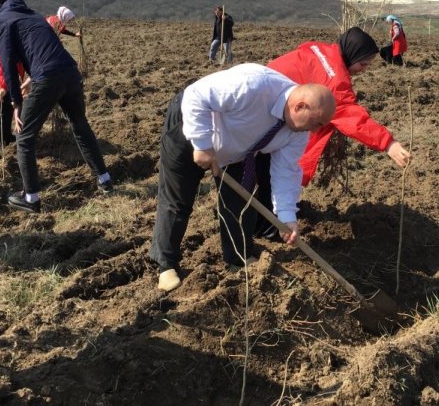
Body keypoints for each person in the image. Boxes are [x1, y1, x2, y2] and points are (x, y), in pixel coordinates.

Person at [150, 63, 335, 292]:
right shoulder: (253, 86)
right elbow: (196, 96)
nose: (316, 131)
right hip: (192, 124)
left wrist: (287, 216)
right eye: (317, 123)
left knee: (239, 202)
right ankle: (166, 264)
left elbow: (285, 171)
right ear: (300, 106)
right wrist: (202, 143)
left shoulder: (298, 133)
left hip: (237, 148)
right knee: (178, 199)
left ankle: (237, 258)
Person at [0, 0, 113, 213]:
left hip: (47, 77)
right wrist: (34, 77)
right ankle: (105, 179)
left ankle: (30, 198)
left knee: (24, 137)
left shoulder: (1, 21)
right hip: (69, 72)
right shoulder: (33, 14)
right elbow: (49, 50)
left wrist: (16, 103)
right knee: (80, 124)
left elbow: (7, 63)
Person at [267, 27, 412, 187]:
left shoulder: (321, 50)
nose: (363, 70)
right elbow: (352, 117)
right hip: (268, 115)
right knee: (275, 168)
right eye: (362, 64)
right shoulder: (333, 81)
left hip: (267, 98)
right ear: (352, 54)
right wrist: (389, 144)